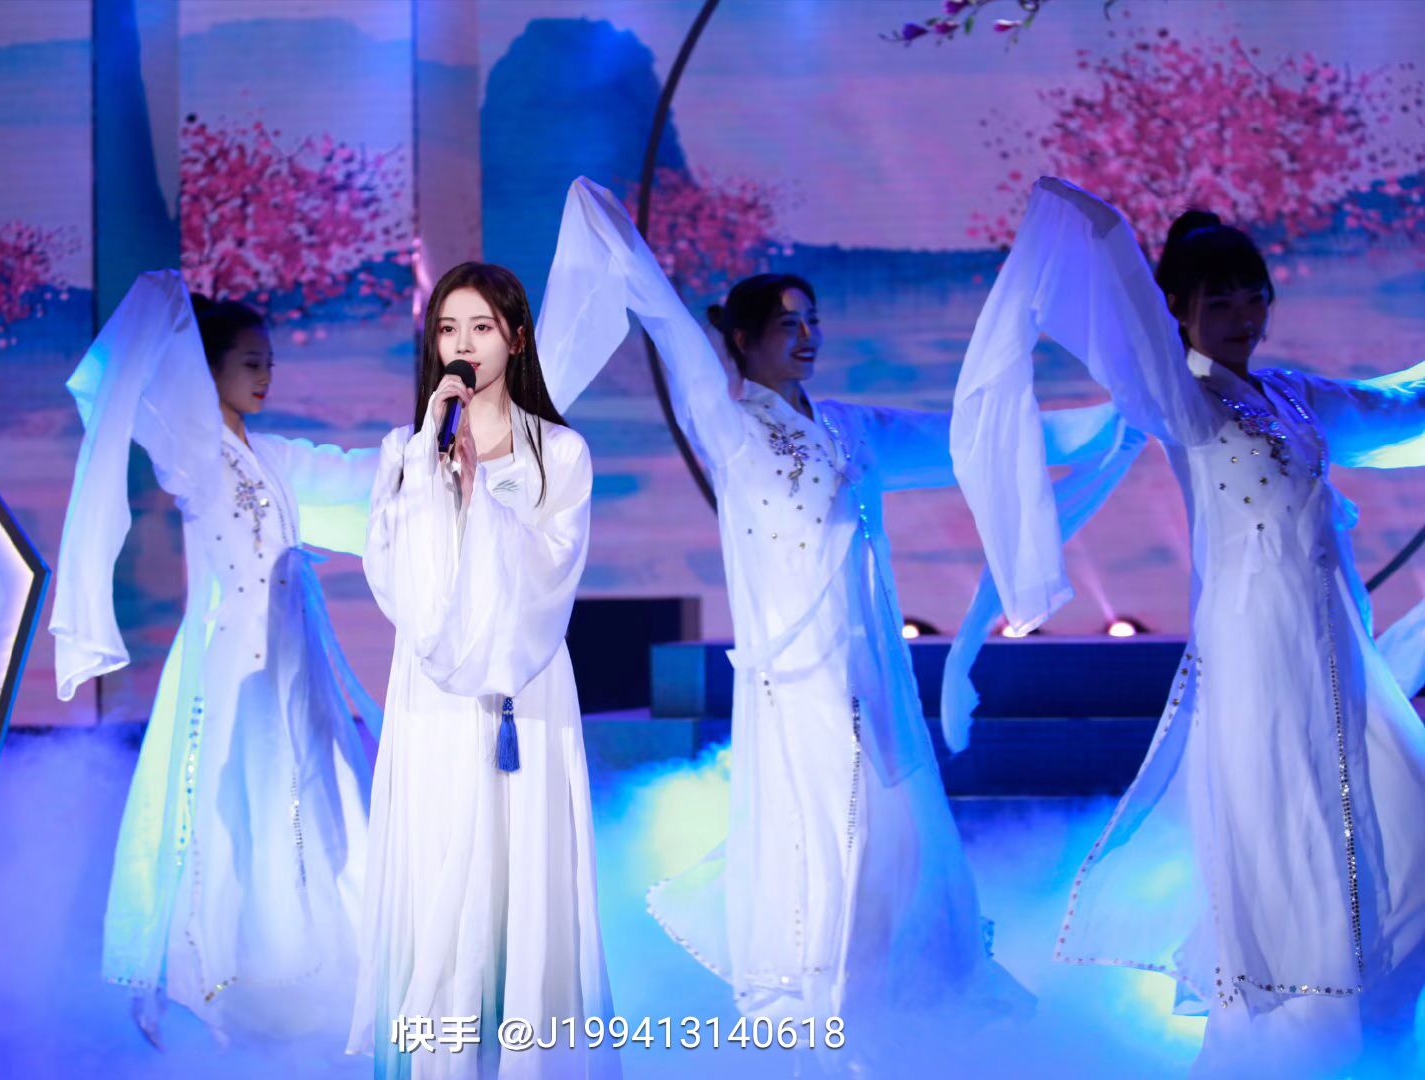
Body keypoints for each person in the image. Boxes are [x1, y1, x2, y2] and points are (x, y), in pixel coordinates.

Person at [538, 179, 1136, 1046]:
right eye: (789, 324)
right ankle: (820, 995)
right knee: (826, 820)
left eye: (814, 320)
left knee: (891, 823)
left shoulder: (853, 426)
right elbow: (667, 323)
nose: (809, 335)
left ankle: (890, 986)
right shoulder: (727, 423)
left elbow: (966, 442)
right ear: (742, 341)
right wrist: (616, 234)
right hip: (796, 669)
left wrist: (1112, 421)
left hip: (870, 664)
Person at [952, 177, 1425, 1073]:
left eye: (1253, 297)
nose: (1242, 316)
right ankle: (1295, 1031)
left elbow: (1397, 407)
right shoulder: (1182, 401)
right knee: (1287, 826)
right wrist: (1091, 222)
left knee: (1404, 814)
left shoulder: (1293, 395)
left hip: (1335, 645)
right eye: (1219, 302)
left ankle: (1369, 1017)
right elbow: (1120, 295)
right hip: (1257, 654)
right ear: (1179, 310)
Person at [51, 271, 382, 1044]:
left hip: (292, 657)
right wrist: (164, 298)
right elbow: (112, 380)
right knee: (224, 809)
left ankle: (325, 972)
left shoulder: (270, 454)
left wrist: (428, 449)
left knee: (311, 794)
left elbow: (352, 473)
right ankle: (213, 977)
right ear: (207, 373)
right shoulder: (193, 449)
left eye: (270, 363)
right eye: (249, 363)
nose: (265, 377)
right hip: (231, 661)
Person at [347, 262, 617, 1079]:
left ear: (517, 338)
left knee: (516, 874)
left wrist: (479, 498)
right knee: (439, 871)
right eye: (447, 329)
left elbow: (552, 572)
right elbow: (391, 573)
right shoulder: (405, 449)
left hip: (522, 692)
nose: (462, 344)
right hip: (431, 696)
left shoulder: (560, 452)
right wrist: (433, 475)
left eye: (481, 328)